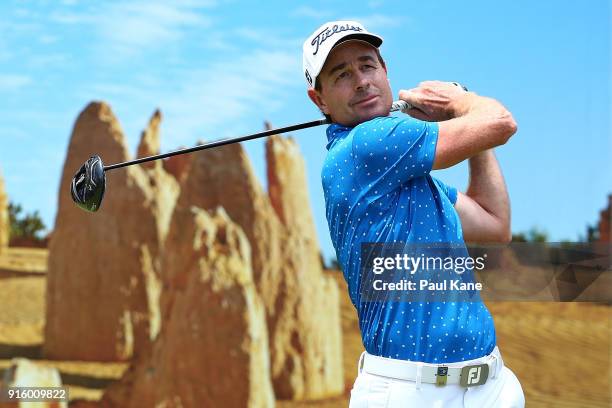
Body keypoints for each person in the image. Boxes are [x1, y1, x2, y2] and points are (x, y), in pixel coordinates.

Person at [303, 21, 525, 407]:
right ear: (319, 100)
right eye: (341, 74)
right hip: (411, 393)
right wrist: (460, 101)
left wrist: (470, 135)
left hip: (490, 385)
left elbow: (494, 223)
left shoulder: (407, 177)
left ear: (385, 71)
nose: (361, 81)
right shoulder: (367, 145)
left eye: (367, 65)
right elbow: (501, 123)